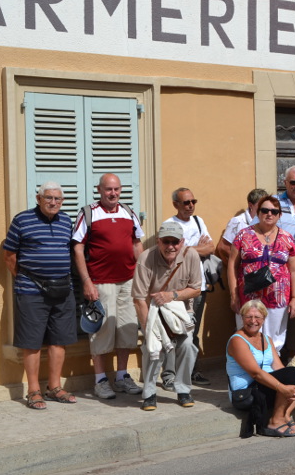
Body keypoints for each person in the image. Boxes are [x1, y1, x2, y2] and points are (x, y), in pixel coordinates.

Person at [3, 182, 78, 409]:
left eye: (57, 199)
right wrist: (26, 280)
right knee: (32, 342)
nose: (53, 202)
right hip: (31, 290)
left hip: (63, 289)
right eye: (48, 198)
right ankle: (34, 390)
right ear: (38, 198)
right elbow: (9, 256)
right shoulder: (22, 220)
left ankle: (54, 387)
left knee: (60, 340)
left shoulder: (66, 221)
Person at [72, 173, 144, 399]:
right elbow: (78, 249)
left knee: (127, 328)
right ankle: (100, 380)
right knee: (102, 330)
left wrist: (142, 277)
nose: (112, 194)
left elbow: (137, 243)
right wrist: (87, 282)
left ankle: (122, 376)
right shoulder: (88, 213)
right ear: (99, 190)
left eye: (116, 189)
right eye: (108, 190)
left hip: (128, 281)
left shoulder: (128, 212)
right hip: (101, 282)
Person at [132, 222, 201, 410]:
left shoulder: (191, 255)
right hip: (153, 311)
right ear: (158, 241)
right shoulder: (145, 258)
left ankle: (183, 389)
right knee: (152, 348)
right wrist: (148, 330)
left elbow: (196, 289)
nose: (171, 246)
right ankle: (149, 393)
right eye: (166, 241)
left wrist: (172, 296)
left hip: (182, 312)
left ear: (182, 242)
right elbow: (139, 299)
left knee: (187, 346)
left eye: (175, 242)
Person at [226, 301, 295, 437]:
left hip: (267, 386)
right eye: (248, 317)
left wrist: (294, 384)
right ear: (242, 318)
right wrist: (283, 388)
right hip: (247, 392)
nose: (253, 321)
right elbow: (255, 373)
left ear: (264, 319)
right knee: (292, 373)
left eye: (257, 317)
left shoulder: (267, 339)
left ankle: (286, 415)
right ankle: (275, 421)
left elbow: (279, 368)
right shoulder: (237, 340)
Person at [228, 195, 295, 353]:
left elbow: (294, 270)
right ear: (258, 213)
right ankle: (249, 370)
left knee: (275, 340)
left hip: (278, 297)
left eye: (274, 211)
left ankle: (270, 371)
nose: (269, 214)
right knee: (248, 335)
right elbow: (232, 266)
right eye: (265, 210)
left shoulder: (287, 238)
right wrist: (233, 295)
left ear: (280, 215)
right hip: (249, 296)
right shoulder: (243, 235)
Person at [164, 187, 215, 387]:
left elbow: (210, 247)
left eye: (193, 201)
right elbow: (170, 253)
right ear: (176, 204)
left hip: (198, 285)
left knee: (192, 331)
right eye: (186, 202)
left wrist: (186, 249)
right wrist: (195, 249)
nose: (191, 205)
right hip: (177, 287)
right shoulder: (169, 224)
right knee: (173, 330)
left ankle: (192, 371)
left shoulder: (198, 221)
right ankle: (170, 375)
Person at [216, 188, 268, 264]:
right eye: (260, 205)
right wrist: (237, 267)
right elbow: (223, 248)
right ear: (251, 205)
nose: (264, 209)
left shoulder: (267, 222)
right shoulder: (238, 222)